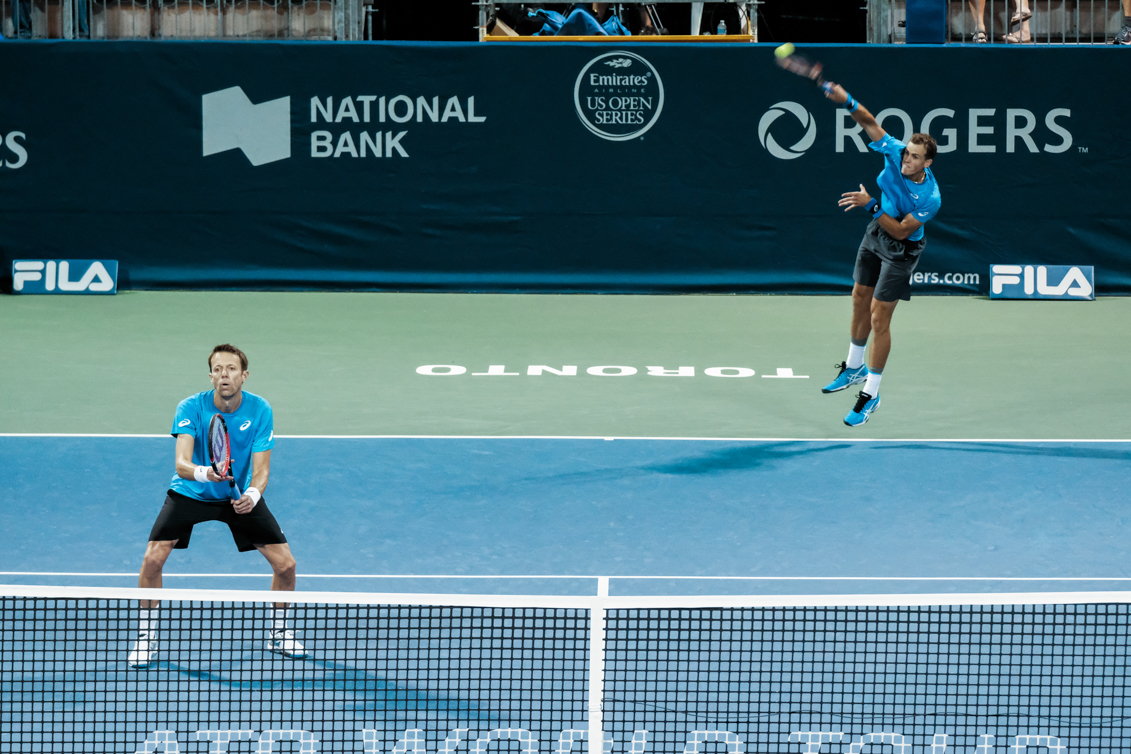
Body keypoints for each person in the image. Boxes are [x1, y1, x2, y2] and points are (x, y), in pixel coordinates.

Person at [128, 344, 307, 668]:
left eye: (232, 369)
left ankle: (279, 632)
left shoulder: (259, 409)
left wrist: (252, 494)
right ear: (211, 375)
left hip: (236, 497)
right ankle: (146, 636)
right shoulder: (191, 407)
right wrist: (204, 473)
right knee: (152, 559)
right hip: (191, 491)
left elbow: (262, 468)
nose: (225, 374)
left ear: (244, 375)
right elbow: (182, 462)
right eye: (218, 369)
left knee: (286, 566)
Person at [818, 82, 941, 427]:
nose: (906, 159)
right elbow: (869, 121)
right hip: (875, 234)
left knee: (878, 319)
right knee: (858, 297)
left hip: (902, 250)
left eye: (915, 157)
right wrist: (847, 100)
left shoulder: (930, 197)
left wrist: (870, 204)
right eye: (906, 153)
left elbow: (902, 230)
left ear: (927, 163)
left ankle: (870, 394)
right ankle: (853, 368)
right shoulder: (895, 151)